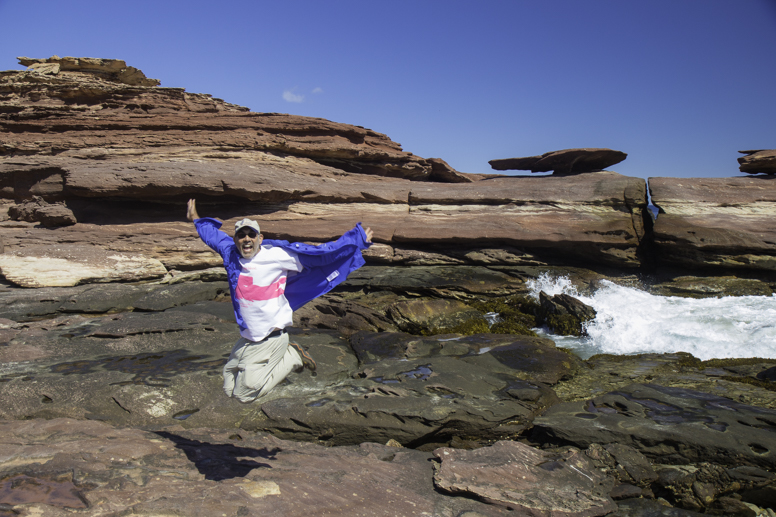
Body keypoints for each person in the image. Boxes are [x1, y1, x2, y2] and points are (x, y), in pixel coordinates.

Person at [186, 199, 373, 403]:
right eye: (241, 235)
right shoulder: (230, 254)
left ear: (260, 238)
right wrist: (196, 218)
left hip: (271, 337)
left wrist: (357, 241)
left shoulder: (277, 255)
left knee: (243, 394)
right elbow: (212, 237)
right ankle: (280, 359)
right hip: (248, 338)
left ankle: (293, 356)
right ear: (235, 239)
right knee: (229, 386)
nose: (246, 239)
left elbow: (321, 255)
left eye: (251, 234)